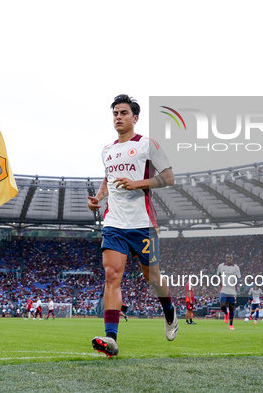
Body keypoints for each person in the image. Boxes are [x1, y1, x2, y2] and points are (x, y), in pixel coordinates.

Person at [87, 94, 178, 357]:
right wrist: (99, 198)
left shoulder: (147, 146)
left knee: (152, 277)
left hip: (143, 224)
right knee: (111, 276)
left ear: (135, 118)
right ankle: (111, 339)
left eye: (123, 113)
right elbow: (108, 180)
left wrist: (137, 183)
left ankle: (170, 312)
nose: (118, 117)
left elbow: (169, 178)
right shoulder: (107, 150)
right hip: (114, 223)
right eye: (115, 113)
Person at [217, 254, 241, 330]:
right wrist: (219, 280)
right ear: (225, 258)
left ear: (232, 258)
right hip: (224, 289)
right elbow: (218, 275)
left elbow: (238, 277)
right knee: (222, 305)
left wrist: (235, 281)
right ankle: (226, 313)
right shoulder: (221, 266)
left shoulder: (236, 267)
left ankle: (231, 325)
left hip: (232, 291)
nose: (229, 259)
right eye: (227, 257)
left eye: (230, 257)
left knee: (232, 307)